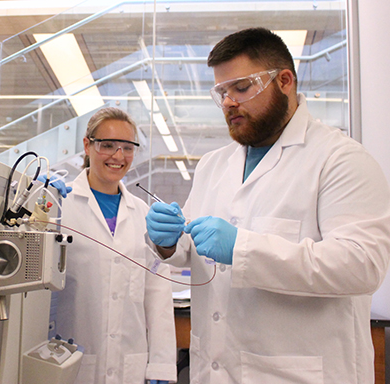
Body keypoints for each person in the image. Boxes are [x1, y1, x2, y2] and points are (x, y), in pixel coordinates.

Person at [145, 27, 390, 384]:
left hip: (299, 373)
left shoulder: (340, 159)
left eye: (242, 87)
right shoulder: (215, 164)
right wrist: (169, 242)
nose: (229, 102)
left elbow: (362, 266)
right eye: (222, 92)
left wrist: (242, 247)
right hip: (214, 369)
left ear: (285, 80)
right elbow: (195, 248)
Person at [54, 107, 177, 384]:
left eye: (127, 147)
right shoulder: (60, 207)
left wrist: (161, 364)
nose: (118, 156)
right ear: (87, 145)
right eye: (107, 145)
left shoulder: (144, 214)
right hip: (69, 359)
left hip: (129, 364)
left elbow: (157, 294)